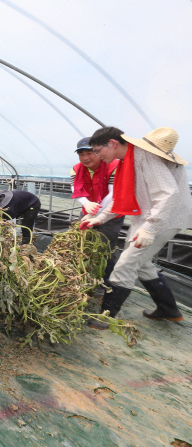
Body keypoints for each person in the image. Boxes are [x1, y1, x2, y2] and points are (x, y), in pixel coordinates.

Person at [81, 127, 192, 329]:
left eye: (97, 151)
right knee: (142, 263)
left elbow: (168, 194)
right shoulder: (130, 159)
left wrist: (151, 228)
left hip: (164, 218)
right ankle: (168, 309)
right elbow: (123, 198)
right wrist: (101, 218)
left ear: (112, 144)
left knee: (126, 264)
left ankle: (105, 317)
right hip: (150, 217)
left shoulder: (146, 156)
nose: (96, 156)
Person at [70, 136, 124, 292]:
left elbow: (113, 195)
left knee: (105, 249)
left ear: (98, 152)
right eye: (81, 154)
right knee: (81, 244)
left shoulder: (114, 166)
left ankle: (103, 284)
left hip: (111, 215)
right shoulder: (76, 168)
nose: (85, 158)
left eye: (90, 153)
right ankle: (80, 279)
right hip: (87, 212)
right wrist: (86, 203)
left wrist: (97, 213)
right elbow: (76, 189)